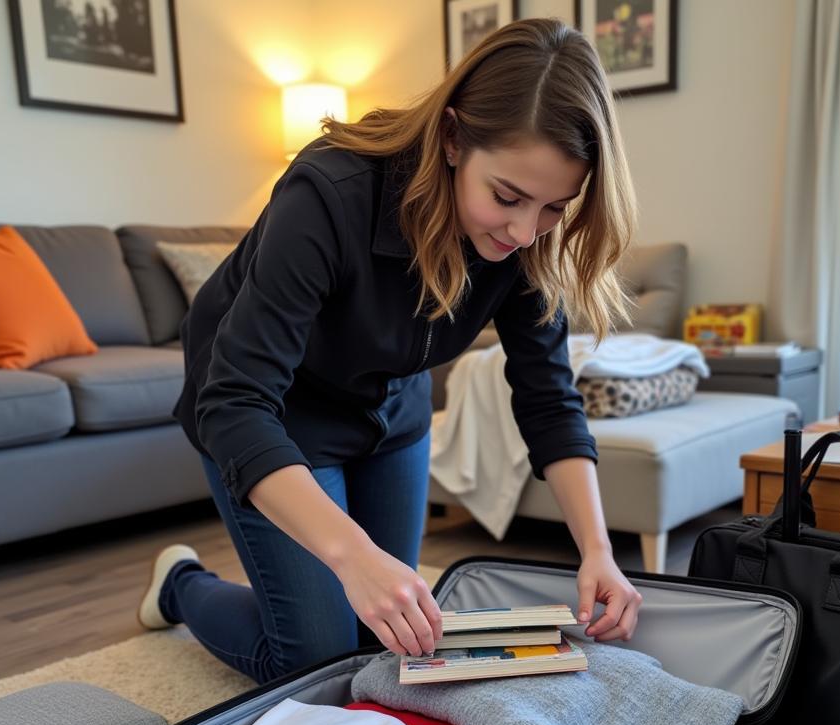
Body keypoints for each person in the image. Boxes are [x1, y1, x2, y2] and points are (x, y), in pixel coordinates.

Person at [137, 17, 643, 685]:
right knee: (319, 663)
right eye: (509, 197)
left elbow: (548, 397)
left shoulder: (528, 241)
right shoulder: (329, 192)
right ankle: (181, 583)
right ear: (455, 137)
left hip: (388, 409)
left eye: (554, 207)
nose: (525, 230)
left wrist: (598, 551)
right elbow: (234, 404)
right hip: (269, 410)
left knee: (386, 650)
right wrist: (351, 556)